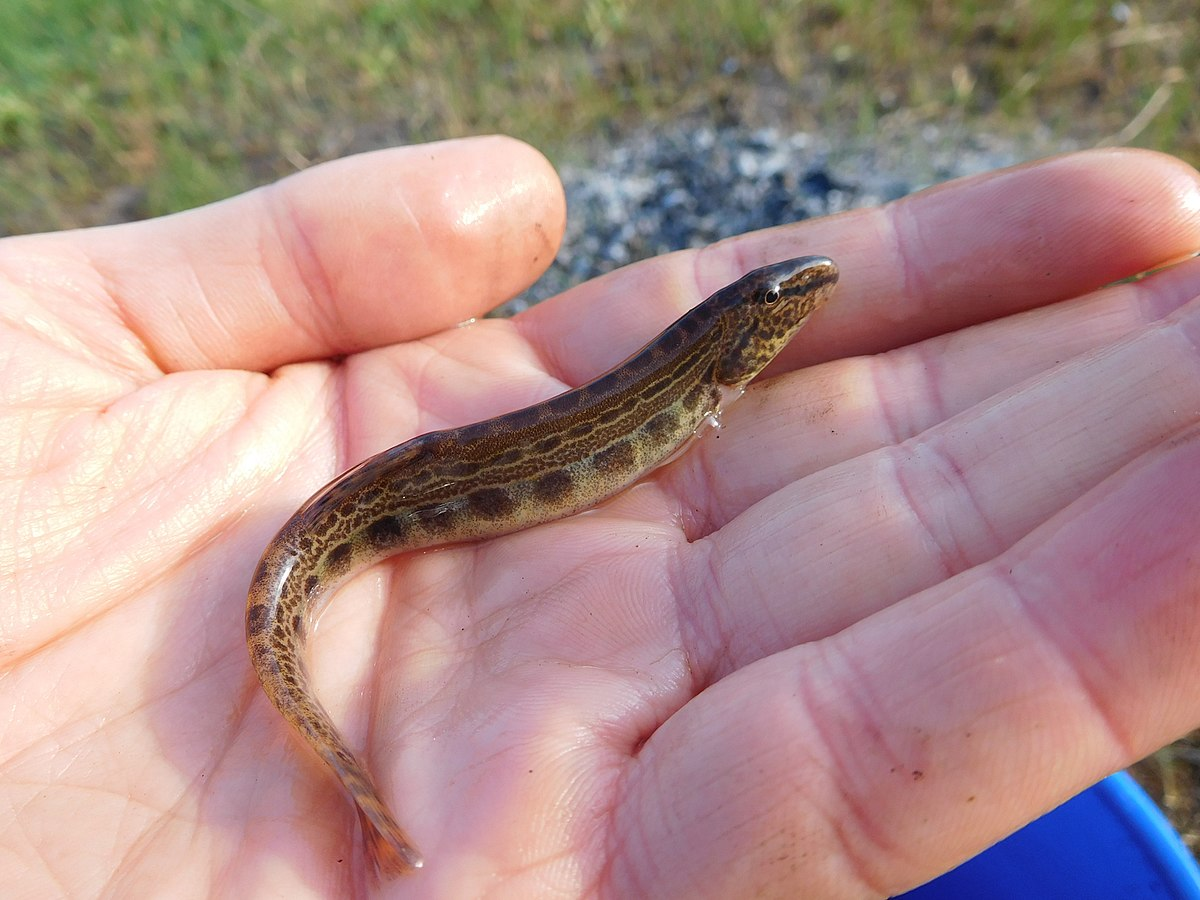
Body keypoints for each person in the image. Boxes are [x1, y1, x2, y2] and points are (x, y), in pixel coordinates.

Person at [3, 135, 1200, 898]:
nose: (800, 313)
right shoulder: (718, 374)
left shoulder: (722, 371)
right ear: (748, 349)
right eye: (783, 318)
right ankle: (353, 784)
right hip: (418, 496)